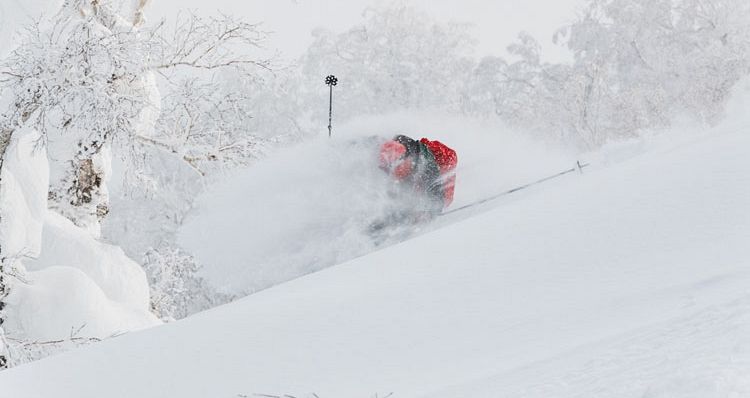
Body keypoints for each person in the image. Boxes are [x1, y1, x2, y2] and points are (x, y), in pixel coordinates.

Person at [378, 134, 457, 220]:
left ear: (407, 160)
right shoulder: (392, 150)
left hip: (445, 159)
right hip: (418, 153)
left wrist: (426, 213)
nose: (391, 172)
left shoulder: (427, 168)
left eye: (396, 167)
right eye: (388, 168)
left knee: (446, 200)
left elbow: (437, 201)